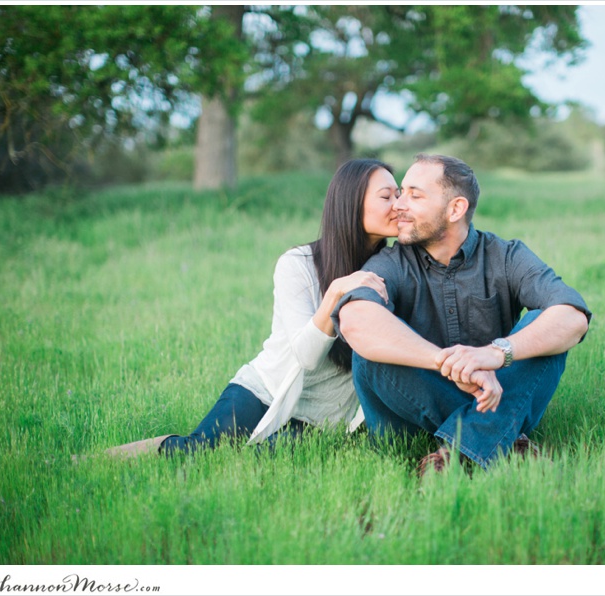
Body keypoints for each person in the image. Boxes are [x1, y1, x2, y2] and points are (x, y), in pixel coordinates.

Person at [104, 158, 400, 457]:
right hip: (266, 392)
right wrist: (336, 289)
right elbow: (306, 357)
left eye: (400, 195)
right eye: (386, 197)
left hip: (321, 417)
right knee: (198, 452)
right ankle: (98, 458)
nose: (398, 205)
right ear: (350, 204)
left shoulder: (394, 269)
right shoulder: (298, 264)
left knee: (255, 461)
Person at [333, 154, 591, 475]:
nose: (400, 204)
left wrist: (496, 354)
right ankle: (503, 441)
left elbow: (573, 317)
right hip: (410, 419)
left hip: (490, 396)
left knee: (546, 328)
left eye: (415, 195)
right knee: (372, 349)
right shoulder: (392, 262)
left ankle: (458, 452)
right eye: (401, 192)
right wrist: (453, 364)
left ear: (455, 209)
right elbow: (356, 321)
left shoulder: (506, 256)